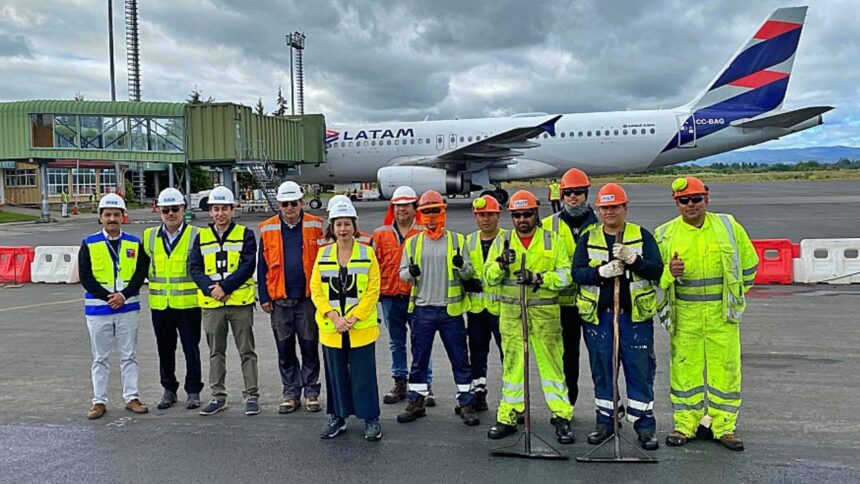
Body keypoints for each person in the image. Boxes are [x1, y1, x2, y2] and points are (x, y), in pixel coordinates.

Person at [655, 177, 758, 451]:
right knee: (684, 370)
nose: (691, 205)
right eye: (684, 201)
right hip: (685, 316)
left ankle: (723, 427)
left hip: (721, 316)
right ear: (676, 203)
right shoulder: (665, 234)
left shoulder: (728, 226)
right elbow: (654, 279)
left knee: (725, 371)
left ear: (706, 199)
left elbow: (749, 265)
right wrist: (669, 272)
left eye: (696, 199)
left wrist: (736, 294)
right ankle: (685, 424)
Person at [573, 183, 663, 451]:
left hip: (634, 319)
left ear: (625, 208)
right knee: (603, 370)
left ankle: (644, 426)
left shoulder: (641, 235)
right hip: (600, 318)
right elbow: (577, 273)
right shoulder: (588, 238)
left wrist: (634, 260)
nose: (609, 212)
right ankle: (606, 421)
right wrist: (601, 273)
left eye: (614, 207)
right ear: (598, 210)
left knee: (640, 370)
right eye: (605, 207)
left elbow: (656, 270)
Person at [485, 190, 575, 445]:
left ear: (536, 214)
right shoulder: (502, 241)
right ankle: (509, 415)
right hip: (513, 318)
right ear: (511, 217)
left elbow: (566, 275)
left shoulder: (552, 240)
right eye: (517, 215)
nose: (522, 219)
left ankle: (561, 415)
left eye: (527, 214)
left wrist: (539, 278)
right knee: (512, 369)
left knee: (553, 369)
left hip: (545, 318)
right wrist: (501, 264)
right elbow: (487, 277)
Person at [397, 190, 478, 426]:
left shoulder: (457, 240)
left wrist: (462, 266)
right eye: (427, 212)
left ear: (443, 213)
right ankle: (416, 402)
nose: (431, 218)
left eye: (435, 212)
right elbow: (402, 274)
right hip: (423, 310)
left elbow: (469, 274)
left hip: (450, 311)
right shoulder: (413, 243)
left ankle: (466, 402)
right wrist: (409, 273)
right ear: (420, 215)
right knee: (419, 360)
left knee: (460, 359)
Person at [311, 200, 382, 441]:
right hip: (332, 329)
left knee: (364, 376)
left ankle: (370, 418)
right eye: (338, 224)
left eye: (347, 224)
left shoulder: (367, 253)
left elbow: (373, 290)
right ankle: (338, 417)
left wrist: (352, 318)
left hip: (360, 328)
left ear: (354, 226)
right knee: (336, 376)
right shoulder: (322, 254)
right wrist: (334, 317)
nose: (343, 229)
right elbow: (316, 291)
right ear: (332, 227)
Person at [189, 186, 259, 416]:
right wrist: (213, 290)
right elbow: (195, 268)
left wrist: (225, 288)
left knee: (246, 350)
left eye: (224, 209)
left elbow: (247, 265)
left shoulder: (245, 234)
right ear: (210, 211)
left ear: (232, 209)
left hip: (240, 303)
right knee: (215, 352)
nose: (220, 213)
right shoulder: (201, 237)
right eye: (216, 209)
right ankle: (218, 396)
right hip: (213, 304)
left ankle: (251, 395)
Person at [79, 193, 149, 419]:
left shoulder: (134, 243)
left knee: (129, 355)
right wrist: (109, 297)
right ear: (100, 217)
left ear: (123, 217)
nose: (111, 219)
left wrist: (124, 295)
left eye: (116, 214)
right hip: (98, 310)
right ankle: (98, 401)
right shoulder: (89, 243)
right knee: (100, 358)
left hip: (127, 308)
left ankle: (132, 397)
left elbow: (140, 273)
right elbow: (86, 276)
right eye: (107, 214)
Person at [258, 181, 324, 414]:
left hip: (307, 299)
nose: (289, 208)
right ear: (279, 205)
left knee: (309, 345)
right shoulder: (268, 228)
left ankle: (311, 392)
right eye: (285, 204)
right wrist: (263, 296)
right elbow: (262, 266)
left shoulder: (316, 225)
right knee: (284, 349)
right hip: (279, 301)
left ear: (301, 203)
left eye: (293, 203)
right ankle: (291, 392)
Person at [371, 186, 436, 407]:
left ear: (414, 207)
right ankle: (400, 381)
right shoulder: (380, 234)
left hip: (417, 297)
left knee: (421, 342)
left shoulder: (424, 232)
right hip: (390, 297)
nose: (401, 210)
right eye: (398, 205)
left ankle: (424, 384)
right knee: (396, 342)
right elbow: (374, 266)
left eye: (406, 205)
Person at [542, 168, 599, 411]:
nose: (573, 197)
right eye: (568, 193)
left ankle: (607, 406)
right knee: (567, 357)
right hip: (562, 306)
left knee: (601, 357)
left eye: (578, 192)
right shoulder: (547, 225)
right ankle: (567, 404)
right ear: (562, 195)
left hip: (595, 304)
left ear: (586, 194)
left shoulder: (601, 223)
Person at [142, 188, 203, 410]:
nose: (170, 214)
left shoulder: (197, 235)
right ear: (159, 211)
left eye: (174, 209)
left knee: (191, 349)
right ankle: (169, 389)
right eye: (165, 210)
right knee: (165, 349)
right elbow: (142, 267)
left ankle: (193, 390)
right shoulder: (149, 236)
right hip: (160, 305)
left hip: (188, 304)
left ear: (183, 210)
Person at [462, 194, 505, 413]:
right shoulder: (468, 241)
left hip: (502, 309)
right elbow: (463, 270)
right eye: (481, 215)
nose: (486, 219)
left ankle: (512, 399)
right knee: (477, 355)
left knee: (509, 355)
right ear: (475, 216)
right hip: (477, 310)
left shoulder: (508, 239)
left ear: (498, 215)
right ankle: (479, 393)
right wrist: (466, 281)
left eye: (490, 214)